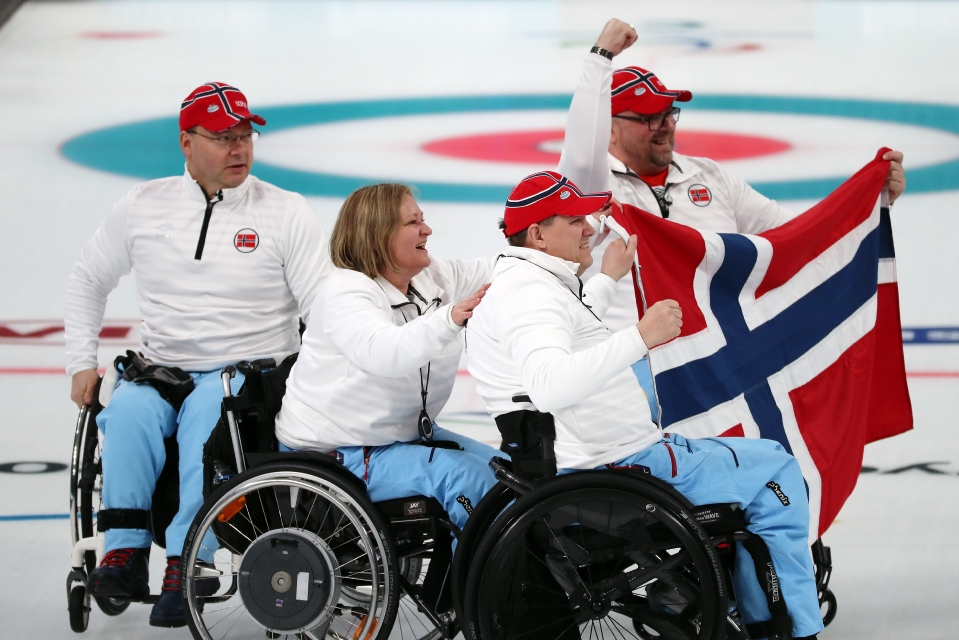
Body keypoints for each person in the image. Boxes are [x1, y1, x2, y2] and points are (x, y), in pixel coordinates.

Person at [465, 170, 824, 639]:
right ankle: (784, 628)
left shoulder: (526, 283)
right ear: (538, 234)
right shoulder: (531, 294)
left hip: (595, 463)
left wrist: (609, 279)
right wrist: (640, 337)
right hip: (621, 467)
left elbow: (568, 335)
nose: (591, 229)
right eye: (576, 221)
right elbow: (550, 384)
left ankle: (701, 600)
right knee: (776, 469)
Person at [64, 82, 331, 627]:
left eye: (245, 136)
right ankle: (125, 550)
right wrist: (79, 361)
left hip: (248, 371)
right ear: (186, 143)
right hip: (165, 366)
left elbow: (323, 303)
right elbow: (88, 279)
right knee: (129, 412)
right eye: (223, 138)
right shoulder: (142, 206)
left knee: (208, 419)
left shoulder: (285, 212)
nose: (240, 149)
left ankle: (190, 559)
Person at [558, 19, 907, 417]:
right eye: (649, 118)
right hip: (631, 369)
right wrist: (601, 55)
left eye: (670, 114)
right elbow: (582, 147)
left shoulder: (710, 176)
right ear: (611, 130)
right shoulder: (590, 191)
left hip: (716, 364)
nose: (665, 128)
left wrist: (871, 205)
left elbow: (801, 237)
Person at [275, 183, 502, 532]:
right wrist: (451, 317)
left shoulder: (428, 278)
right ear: (379, 235)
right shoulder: (345, 293)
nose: (427, 229)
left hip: (396, 439)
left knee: (507, 473)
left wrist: (559, 246)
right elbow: (386, 354)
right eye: (414, 222)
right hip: (337, 455)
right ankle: (477, 587)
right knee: (469, 480)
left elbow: (497, 270)